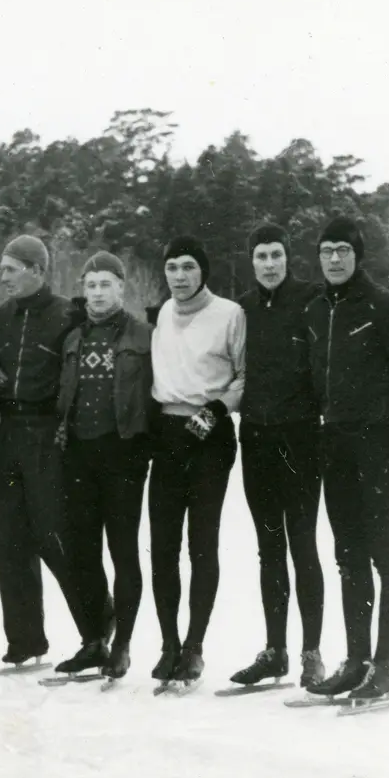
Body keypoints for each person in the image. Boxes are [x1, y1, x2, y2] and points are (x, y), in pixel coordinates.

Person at [303, 216, 389, 707]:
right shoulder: (314, 310)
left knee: (384, 553)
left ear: (358, 255)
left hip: (379, 446)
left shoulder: (386, 306)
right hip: (336, 446)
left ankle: (384, 665)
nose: (334, 258)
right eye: (327, 250)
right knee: (348, 555)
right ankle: (356, 661)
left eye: (343, 251)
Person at [0, 234, 95, 669]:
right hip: (8, 429)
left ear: (36, 269)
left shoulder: (66, 314)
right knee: (10, 542)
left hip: (46, 433)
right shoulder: (3, 315)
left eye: (11, 269)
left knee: (54, 537)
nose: (3, 277)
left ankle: (97, 624)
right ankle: (25, 640)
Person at [148, 237, 246, 688]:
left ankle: (194, 646)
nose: (180, 275)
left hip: (209, 433)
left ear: (203, 271)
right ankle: (168, 643)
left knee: (201, 544)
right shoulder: (162, 313)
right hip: (168, 435)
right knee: (163, 546)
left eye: (189, 266)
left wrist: (220, 409)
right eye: (172, 267)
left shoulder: (229, 314)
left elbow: (246, 375)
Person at [232, 224, 326, 689]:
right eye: (261, 256)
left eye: (276, 255)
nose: (269, 264)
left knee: (303, 543)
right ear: (252, 262)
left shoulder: (311, 299)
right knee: (269, 547)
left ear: (288, 258)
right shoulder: (243, 308)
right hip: (256, 441)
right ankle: (275, 650)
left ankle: (312, 652)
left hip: (302, 442)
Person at [51, 252, 152, 681]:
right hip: (79, 453)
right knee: (82, 552)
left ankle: (123, 644)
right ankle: (94, 640)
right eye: (90, 285)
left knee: (123, 550)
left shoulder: (143, 335)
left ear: (121, 287)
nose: (96, 293)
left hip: (123, 453)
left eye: (105, 284)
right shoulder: (73, 338)